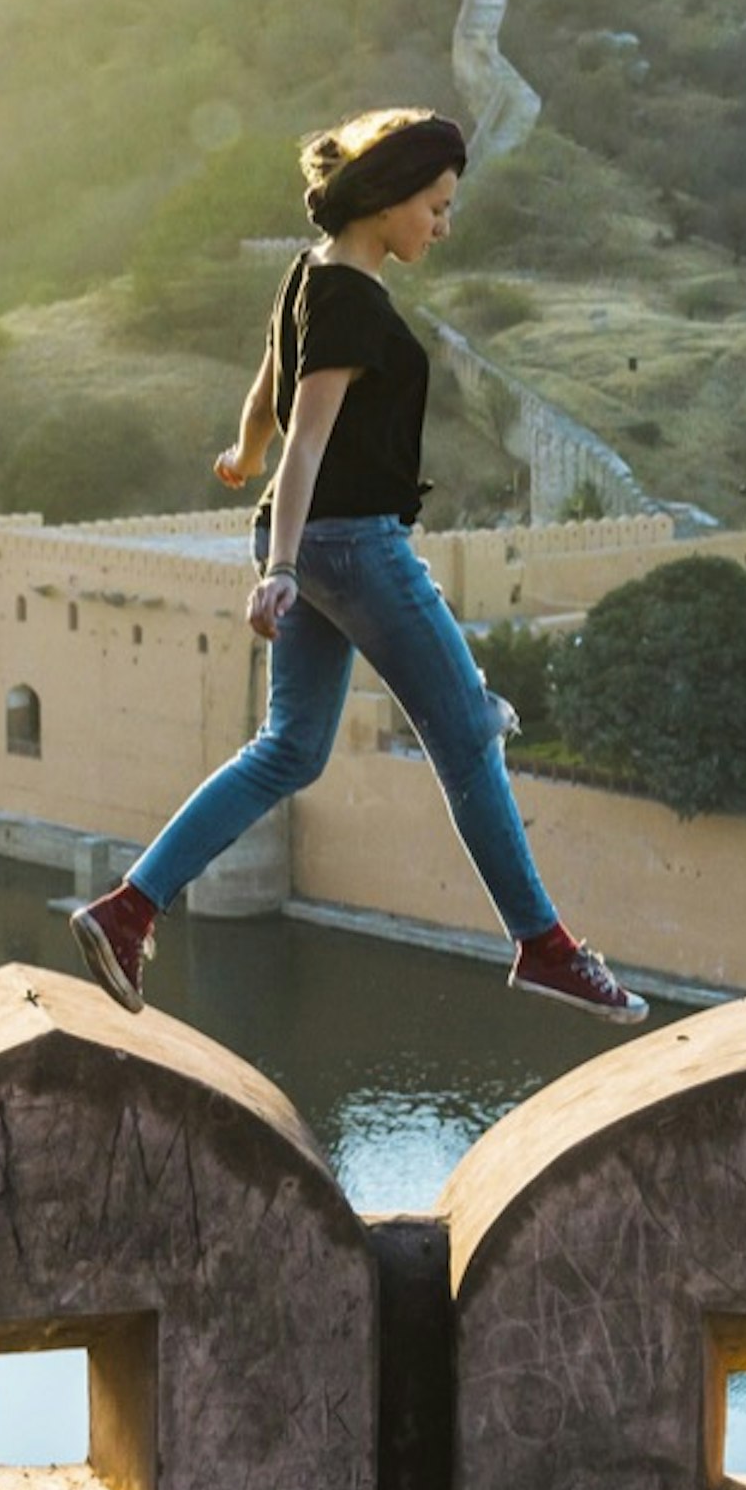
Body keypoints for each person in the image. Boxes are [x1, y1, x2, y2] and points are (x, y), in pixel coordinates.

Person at [69, 107, 648, 1025]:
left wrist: (239, 455)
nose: (443, 226)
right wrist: (285, 564)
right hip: (349, 545)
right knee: (466, 739)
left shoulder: (310, 275)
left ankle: (130, 905)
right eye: (436, 205)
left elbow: (270, 392)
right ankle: (544, 944)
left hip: (311, 543)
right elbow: (310, 435)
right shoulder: (352, 300)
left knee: (290, 750)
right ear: (386, 201)